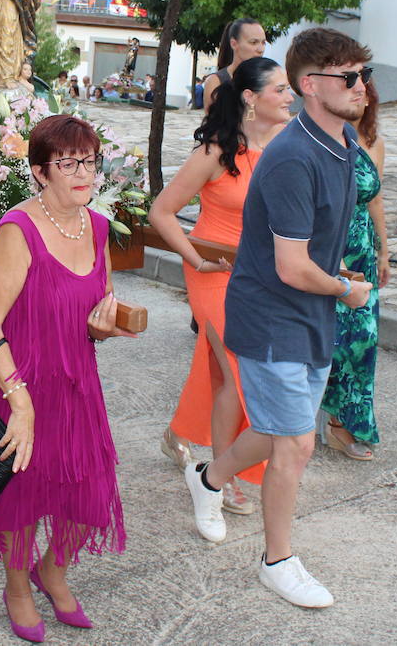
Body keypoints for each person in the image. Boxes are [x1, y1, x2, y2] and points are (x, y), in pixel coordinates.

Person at [183, 27, 373, 610]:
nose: (361, 87)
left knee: (273, 429)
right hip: (273, 316)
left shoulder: (340, 144)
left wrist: (338, 275)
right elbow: (292, 267)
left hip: (309, 312)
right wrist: (345, 289)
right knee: (295, 443)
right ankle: (277, 560)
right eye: (349, 77)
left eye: (363, 74)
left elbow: (316, 241)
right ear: (310, 85)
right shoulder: (293, 158)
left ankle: (208, 477)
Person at [0, 114, 135, 639]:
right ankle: (17, 586)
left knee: (91, 486)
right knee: (21, 494)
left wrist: (103, 330)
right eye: (68, 163)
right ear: (40, 172)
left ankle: (51, 571)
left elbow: (88, 319)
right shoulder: (16, 232)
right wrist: (19, 399)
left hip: (75, 378)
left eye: (89, 160)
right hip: (17, 377)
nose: (83, 172)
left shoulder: (98, 227)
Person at [149, 57, 294, 518]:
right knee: (237, 373)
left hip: (266, 275)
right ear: (251, 98)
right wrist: (193, 258)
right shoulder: (216, 150)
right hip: (215, 272)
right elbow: (162, 211)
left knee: (223, 373)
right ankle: (222, 476)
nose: (291, 96)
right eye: (281, 89)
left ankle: (181, 432)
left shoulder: (290, 147)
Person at [321, 80, 390, 460]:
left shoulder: (374, 143)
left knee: (362, 341)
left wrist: (384, 250)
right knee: (334, 340)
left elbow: (375, 198)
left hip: (362, 247)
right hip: (331, 247)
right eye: (352, 90)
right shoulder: (324, 140)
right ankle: (321, 417)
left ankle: (343, 423)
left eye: (365, 93)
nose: (358, 96)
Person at [201, 18, 268, 115]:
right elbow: (212, 124)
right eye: (253, 42)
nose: (260, 49)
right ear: (234, 44)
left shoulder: (267, 79)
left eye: (263, 43)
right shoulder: (216, 81)